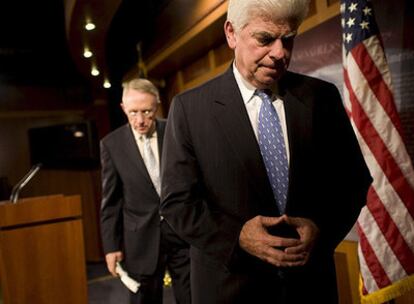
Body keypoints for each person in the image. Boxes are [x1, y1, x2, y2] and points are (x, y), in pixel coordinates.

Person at [160, 0, 372, 303]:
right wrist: (237, 237)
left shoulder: (321, 98)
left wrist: (321, 229)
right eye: (265, 39)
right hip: (229, 288)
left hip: (310, 287)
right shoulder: (189, 109)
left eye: (288, 40)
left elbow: (353, 181)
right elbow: (177, 203)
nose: (279, 53)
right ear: (232, 34)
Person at [100, 78, 191, 304]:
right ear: (123, 108)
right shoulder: (112, 145)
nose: (139, 120)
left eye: (146, 111)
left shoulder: (175, 130)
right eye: (132, 112)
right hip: (140, 240)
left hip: (181, 233)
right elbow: (110, 203)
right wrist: (111, 247)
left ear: (157, 105)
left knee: (191, 297)